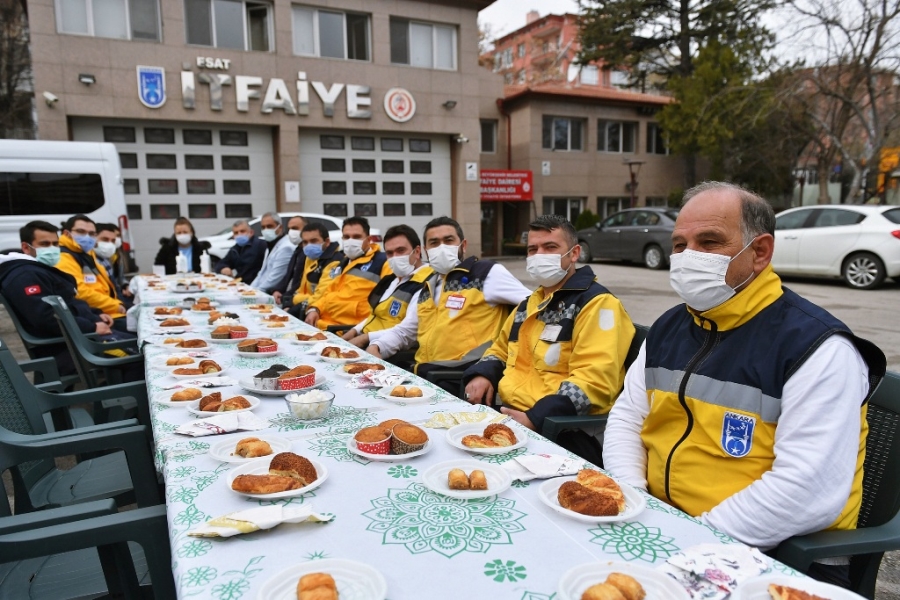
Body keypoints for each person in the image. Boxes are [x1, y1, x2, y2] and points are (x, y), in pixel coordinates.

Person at [603, 182, 885, 583]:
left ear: (759, 252)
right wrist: (632, 500)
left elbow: (805, 491)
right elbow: (628, 418)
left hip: (774, 556)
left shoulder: (816, 347)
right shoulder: (670, 327)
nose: (687, 257)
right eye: (680, 245)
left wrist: (687, 540)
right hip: (663, 527)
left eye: (710, 241)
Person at [461, 215, 636, 465]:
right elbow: (499, 349)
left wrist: (536, 417)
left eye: (550, 247)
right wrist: (483, 374)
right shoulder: (530, 303)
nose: (539, 255)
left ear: (574, 253)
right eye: (533, 249)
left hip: (562, 430)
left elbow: (595, 381)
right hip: (510, 417)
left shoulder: (598, 305)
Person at [367, 216, 530, 381]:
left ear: (463, 245)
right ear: (426, 250)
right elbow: (406, 331)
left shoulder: (485, 273)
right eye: (434, 243)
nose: (442, 247)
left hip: (461, 375)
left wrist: (497, 360)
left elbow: (536, 305)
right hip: (425, 373)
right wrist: (377, 346)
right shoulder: (428, 287)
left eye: (448, 240)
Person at [0, 221, 117, 376]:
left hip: (78, 340)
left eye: (55, 243)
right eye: (45, 244)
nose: (53, 249)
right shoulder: (25, 276)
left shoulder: (36, 269)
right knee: (137, 357)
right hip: (69, 349)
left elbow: (69, 303)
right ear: (26, 247)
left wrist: (95, 314)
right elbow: (46, 318)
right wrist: (92, 327)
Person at [343, 224, 433, 349]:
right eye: (390, 253)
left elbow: (409, 331)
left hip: (383, 349)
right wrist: (353, 331)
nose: (395, 257)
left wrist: (365, 338)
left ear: (417, 252)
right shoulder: (390, 279)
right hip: (362, 341)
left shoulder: (426, 282)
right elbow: (375, 315)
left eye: (401, 250)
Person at [305, 216, 391, 330]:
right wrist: (314, 308)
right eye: (346, 237)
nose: (350, 241)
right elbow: (328, 293)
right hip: (323, 325)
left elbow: (386, 304)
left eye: (356, 237)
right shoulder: (342, 263)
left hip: (348, 330)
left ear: (369, 239)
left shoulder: (383, 263)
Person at [56, 214, 129, 332]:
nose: (87, 237)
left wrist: (119, 303)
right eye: (81, 231)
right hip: (97, 316)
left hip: (108, 310)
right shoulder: (64, 257)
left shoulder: (86, 253)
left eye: (91, 234)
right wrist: (116, 306)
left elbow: (108, 284)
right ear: (66, 233)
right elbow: (80, 292)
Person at [276, 222, 344, 318]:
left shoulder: (335, 262)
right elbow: (301, 288)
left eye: (314, 241)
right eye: (305, 242)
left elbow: (321, 295)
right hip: (304, 305)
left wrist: (293, 301)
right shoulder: (310, 257)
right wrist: (289, 303)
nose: (309, 246)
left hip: (319, 312)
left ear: (327, 242)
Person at [251, 213, 304, 294]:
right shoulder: (271, 244)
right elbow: (261, 273)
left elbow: (275, 278)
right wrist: (249, 289)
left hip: (269, 293)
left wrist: (255, 292)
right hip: (262, 291)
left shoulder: (286, 247)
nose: (266, 230)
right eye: (263, 227)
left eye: (269, 226)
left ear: (280, 227)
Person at [95, 223, 133, 308]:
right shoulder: (95, 259)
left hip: (115, 298)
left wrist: (125, 286)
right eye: (105, 239)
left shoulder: (115, 255)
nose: (110, 243)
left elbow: (119, 279)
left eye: (113, 240)